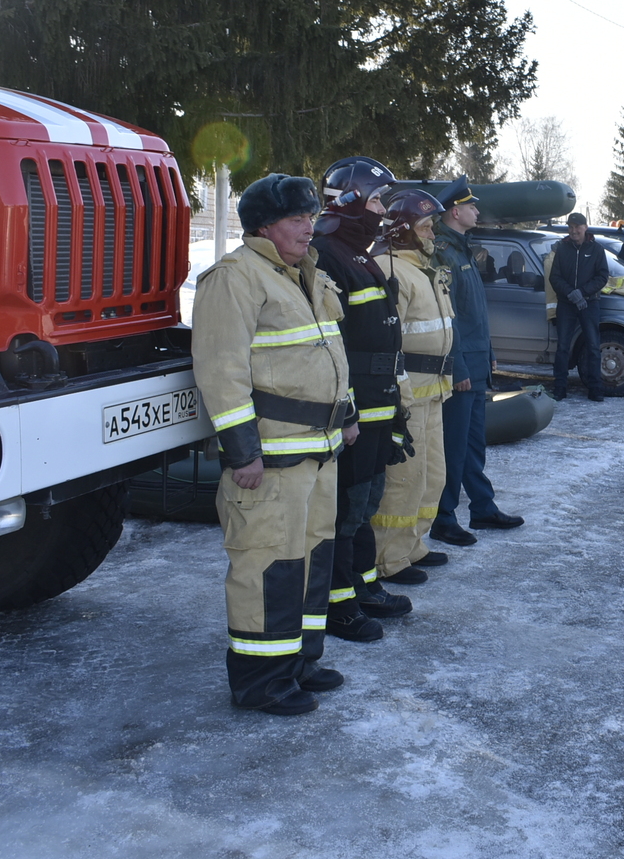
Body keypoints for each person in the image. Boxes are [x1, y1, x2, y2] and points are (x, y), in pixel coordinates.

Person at [191, 173, 355, 715]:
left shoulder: (306, 276)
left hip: (318, 450)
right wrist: (243, 452)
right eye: (296, 219)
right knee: (268, 565)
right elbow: (221, 371)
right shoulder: (237, 278)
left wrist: (346, 416)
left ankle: (300, 662)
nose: (309, 227)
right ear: (265, 226)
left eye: (311, 217)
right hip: (271, 458)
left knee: (310, 558)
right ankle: (261, 680)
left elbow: (330, 352)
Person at [310, 157, 413, 643]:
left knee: (366, 503)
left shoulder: (360, 255)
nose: (382, 211)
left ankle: (364, 586)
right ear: (349, 202)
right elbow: (334, 346)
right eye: (375, 200)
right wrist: (346, 411)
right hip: (353, 413)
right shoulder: (326, 255)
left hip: (379, 405)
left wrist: (395, 409)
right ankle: (339, 605)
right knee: (342, 512)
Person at [430, 177, 524, 546]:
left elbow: (474, 313)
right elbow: (447, 316)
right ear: (455, 212)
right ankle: (443, 517)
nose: (477, 211)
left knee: (473, 444)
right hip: (461, 367)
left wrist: (487, 353)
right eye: (471, 206)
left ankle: (483, 508)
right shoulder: (443, 252)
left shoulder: (462, 248)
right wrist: (459, 367)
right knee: (453, 446)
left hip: (476, 360)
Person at [369, 188, 454, 586]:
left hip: (433, 392)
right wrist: (397, 396)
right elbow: (387, 342)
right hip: (408, 396)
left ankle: (414, 544)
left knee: (432, 475)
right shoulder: (389, 270)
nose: (433, 234)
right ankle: (390, 557)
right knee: (404, 480)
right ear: (403, 230)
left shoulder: (423, 269)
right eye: (425, 226)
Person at [548, 212, 609, 401]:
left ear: (585, 228)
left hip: (589, 303)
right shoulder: (562, 249)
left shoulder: (597, 249)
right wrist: (570, 293)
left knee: (592, 346)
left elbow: (602, 276)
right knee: (563, 347)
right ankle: (560, 387)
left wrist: (582, 292)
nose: (574, 230)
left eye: (577, 227)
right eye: (571, 227)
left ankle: (595, 388)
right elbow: (554, 277)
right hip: (566, 304)